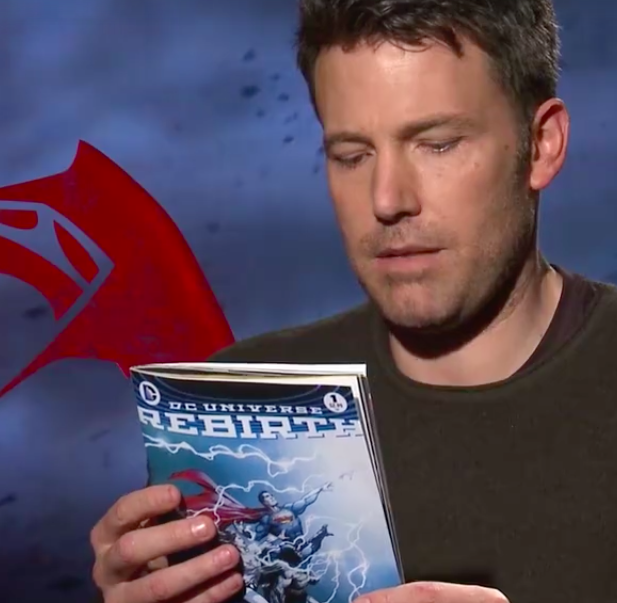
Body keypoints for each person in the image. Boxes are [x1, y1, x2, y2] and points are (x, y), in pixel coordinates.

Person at [89, 0, 617, 602]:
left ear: (542, 144)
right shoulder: (242, 404)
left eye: (437, 144)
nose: (387, 199)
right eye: (351, 156)